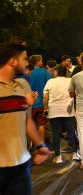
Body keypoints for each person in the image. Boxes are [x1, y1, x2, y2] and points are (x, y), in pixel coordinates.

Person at [0, 42, 51, 195]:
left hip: (22, 166)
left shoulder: (21, 86)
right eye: (24, 59)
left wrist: (39, 145)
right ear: (13, 61)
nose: (27, 63)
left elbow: (27, 119)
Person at [43, 64, 81, 163]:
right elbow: (75, 95)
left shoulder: (50, 82)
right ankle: (75, 154)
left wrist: (46, 108)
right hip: (68, 111)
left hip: (54, 111)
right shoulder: (70, 81)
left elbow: (45, 97)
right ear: (66, 72)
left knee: (56, 133)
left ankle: (58, 156)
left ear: (56, 72)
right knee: (72, 133)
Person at [29, 55, 51, 143]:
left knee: (31, 125)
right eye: (41, 61)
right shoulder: (44, 71)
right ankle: (41, 144)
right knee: (41, 124)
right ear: (38, 61)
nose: (42, 62)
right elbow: (49, 85)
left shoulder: (30, 72)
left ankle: (31, 144)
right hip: (42, 103)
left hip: (31, 103)